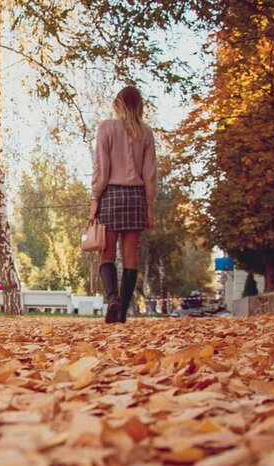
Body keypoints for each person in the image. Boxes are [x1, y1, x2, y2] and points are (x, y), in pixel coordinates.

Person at [89, 85, 156, 323]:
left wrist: (95, 197)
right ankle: (123, 310)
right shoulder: (145, 133)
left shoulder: (107, 128)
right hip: (136, 197)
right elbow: (150, 175)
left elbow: (102, 168)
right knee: (130, 255)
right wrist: (149, 207)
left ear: (118, 104)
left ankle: (113, 299)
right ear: (139, 106)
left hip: (111, 196)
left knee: (106, 253)